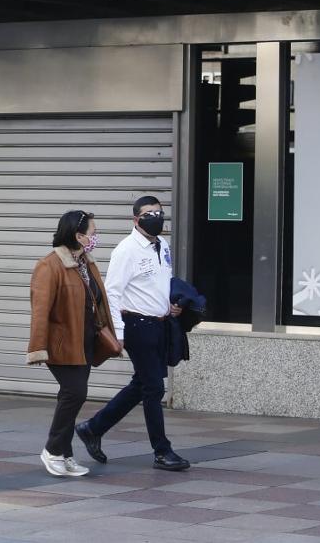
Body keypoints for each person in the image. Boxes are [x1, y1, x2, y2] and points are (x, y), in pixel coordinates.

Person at [75, 196, 190, 472]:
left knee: (141, 384)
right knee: (153, 388)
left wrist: (171, 306)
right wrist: (120, 332)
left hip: (160, 324)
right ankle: (162, 451)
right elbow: (112, 292)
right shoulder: (126, 250)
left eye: (159, 212)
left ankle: (93, 427)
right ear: (136, 219)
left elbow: (161, 282)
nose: (156, 216)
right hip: (137, 325)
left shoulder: (162, 245)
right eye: (149, 213)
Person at [26, 210, 116, 478]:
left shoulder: (85, 263)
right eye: (93, 233)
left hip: (85, 341)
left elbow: (98, 303)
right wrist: (37, 348)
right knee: (73, 393)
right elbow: (40, 311)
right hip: (62, 343)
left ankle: (64, 454)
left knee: (74, 395)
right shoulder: (49, 265)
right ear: (78, 236)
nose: (95, 237)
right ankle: (53, 450)